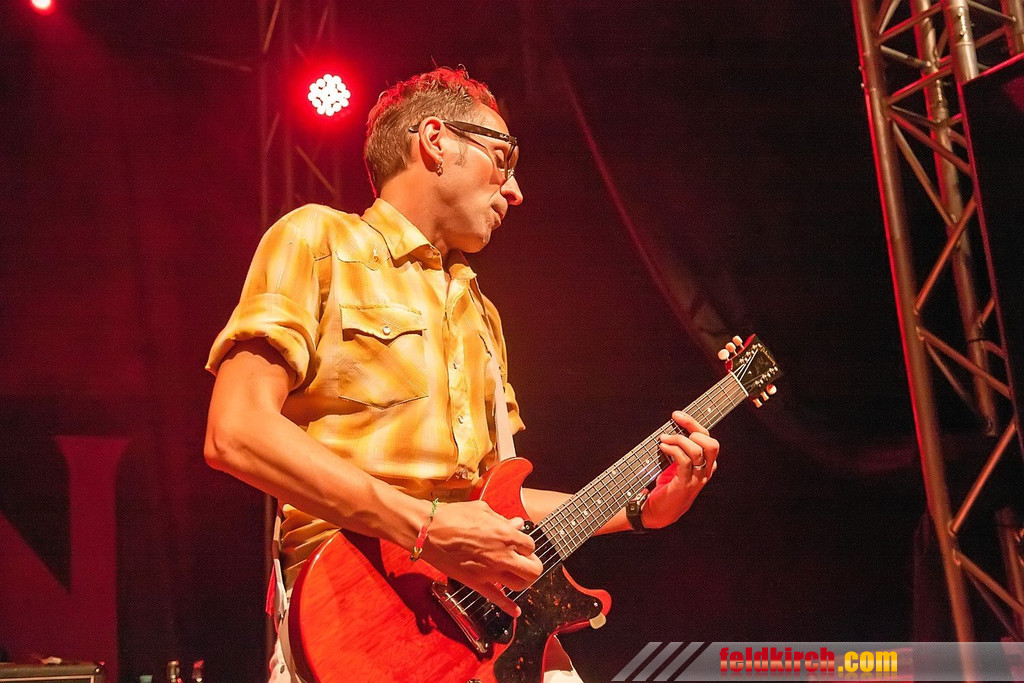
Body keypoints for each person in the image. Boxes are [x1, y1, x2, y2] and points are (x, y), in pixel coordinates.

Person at [203, 66, 719, 683]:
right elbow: (235, 432)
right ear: (436, 140)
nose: (515, 191)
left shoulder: (482, 313)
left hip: (476, 627)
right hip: (352, 618)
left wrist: (639, 511)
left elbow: (496, 501)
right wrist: (425, 527)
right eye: (502, 160)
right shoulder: (317, 238)